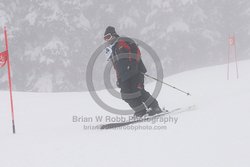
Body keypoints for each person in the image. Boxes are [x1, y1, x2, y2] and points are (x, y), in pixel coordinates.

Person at [104, 26, 162, 117]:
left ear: (113, 35)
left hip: (135, 71)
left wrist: (133, 65)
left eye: (108, 37)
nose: (107, 40)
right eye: (105, 38)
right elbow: (116, 67)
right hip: (124, 76)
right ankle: (141, 111)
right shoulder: (112, 49)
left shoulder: (123, 41)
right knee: (125, 95)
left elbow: (136, 52)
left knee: (138, 91)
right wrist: (119, 79)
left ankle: (155, 107)